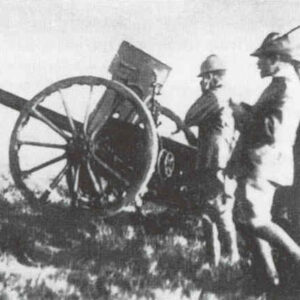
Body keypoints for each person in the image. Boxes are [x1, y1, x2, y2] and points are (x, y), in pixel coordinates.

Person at [229, 26, 300, 286]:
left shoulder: (286, 88)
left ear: (276, 59)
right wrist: (246, 112)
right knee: (245, 220)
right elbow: (265, 119)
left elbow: (272, 130)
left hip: (265, 162)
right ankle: (268, 278)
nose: (258, 63)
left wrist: (240, 115)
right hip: (259, 162)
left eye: (262, 58)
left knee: (256, 220)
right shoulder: (280, 84)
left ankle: (295, 259)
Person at [185, 54, 240, 266]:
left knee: (219, 211)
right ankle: (214, 261)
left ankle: (231, 258)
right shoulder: (228, 95)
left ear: (212, 76)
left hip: (213, 161)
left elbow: (190, 117)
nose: (202, 81)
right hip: (219, 160)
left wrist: (203, 93)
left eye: (204, 77)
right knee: (211, 211)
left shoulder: (213, 97)